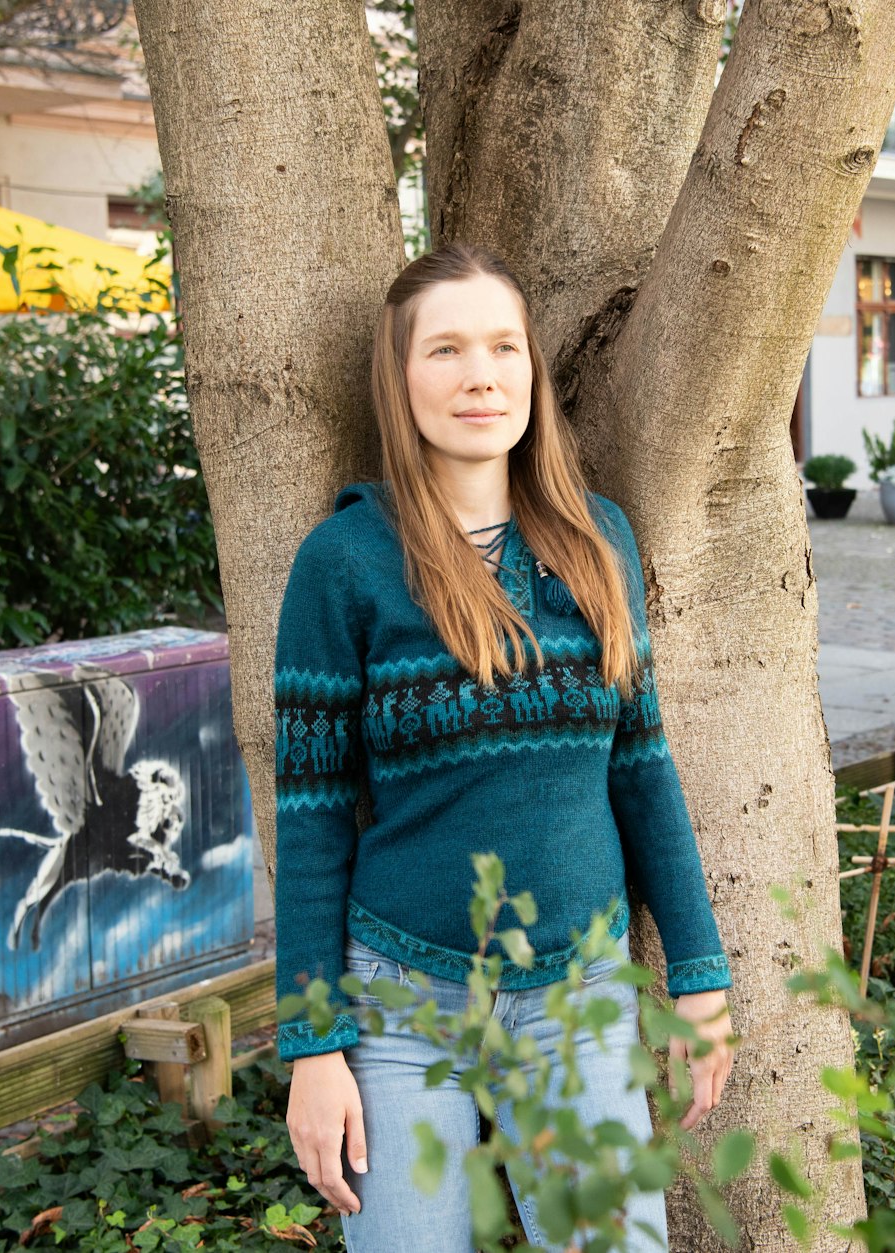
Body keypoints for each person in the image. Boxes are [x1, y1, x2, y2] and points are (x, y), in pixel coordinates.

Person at [273, 242, 736, 1252]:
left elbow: (641, 765)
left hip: (576, 990)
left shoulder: (597, 539)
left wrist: (699, 970)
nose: (479, 374)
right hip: (400, 998)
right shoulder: (344, 563)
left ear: (530, 367)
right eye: (444, 349)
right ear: (400, 379)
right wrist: (313, 1044)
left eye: (502, 346)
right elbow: (310, 813)